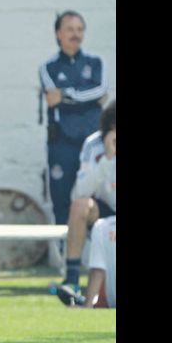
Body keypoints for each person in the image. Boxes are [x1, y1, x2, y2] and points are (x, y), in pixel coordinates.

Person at [39, 11, 108, 226]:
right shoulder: (48, 67)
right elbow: (52, 97)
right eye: (70, 29)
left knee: (98, 198)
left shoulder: (96, 62)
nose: (75, 34)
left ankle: (96, 252)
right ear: (58, 33)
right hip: (61, 143)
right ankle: (62, 256)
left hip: (93, 142)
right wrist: (86, 96)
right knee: (61, 198)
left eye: (79, 29)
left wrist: (66, 95)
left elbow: (101, 91)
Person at [55, 100, 115, 297]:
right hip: (105, 212)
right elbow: (81, 192)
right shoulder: (93, 144)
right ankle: (72, 280)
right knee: (80, 206)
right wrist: (107, 159)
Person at [57, 215, 116, 308]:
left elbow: (98, 271)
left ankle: (81, 299)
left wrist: (87, 305)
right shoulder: (101, 226)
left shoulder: (101, 226)